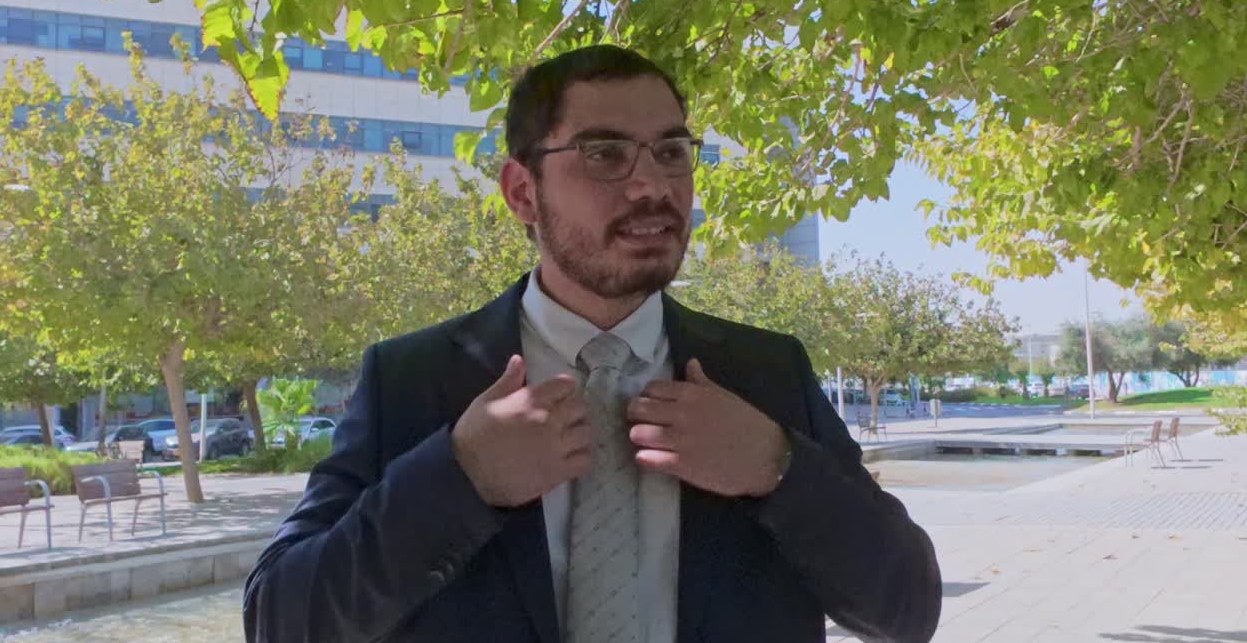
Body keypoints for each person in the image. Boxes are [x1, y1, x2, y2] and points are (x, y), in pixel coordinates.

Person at [243, 45, 942, 643]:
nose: (652, 185)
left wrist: (778, 469)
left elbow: (907, 608)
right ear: (522, 192)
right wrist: (457, 480)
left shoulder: (766, 374)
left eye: (671, 152)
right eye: (605, 153)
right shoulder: (411, 380)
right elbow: (280, 619)